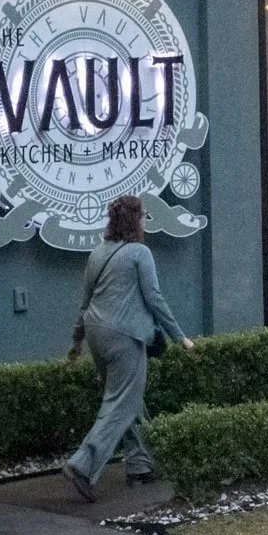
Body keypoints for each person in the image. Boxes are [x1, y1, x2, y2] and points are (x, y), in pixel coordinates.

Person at [63, 194, 193, 501]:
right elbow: (154, 298)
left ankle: (140, 465)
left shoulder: (97, 253)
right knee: (121, 403)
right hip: (125, 335)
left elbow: (85, 304)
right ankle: (83, 464)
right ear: (136, 221)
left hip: (96, 333)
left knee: (127, 398)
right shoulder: (139, 253)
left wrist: (76, 342)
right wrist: (179, 336)